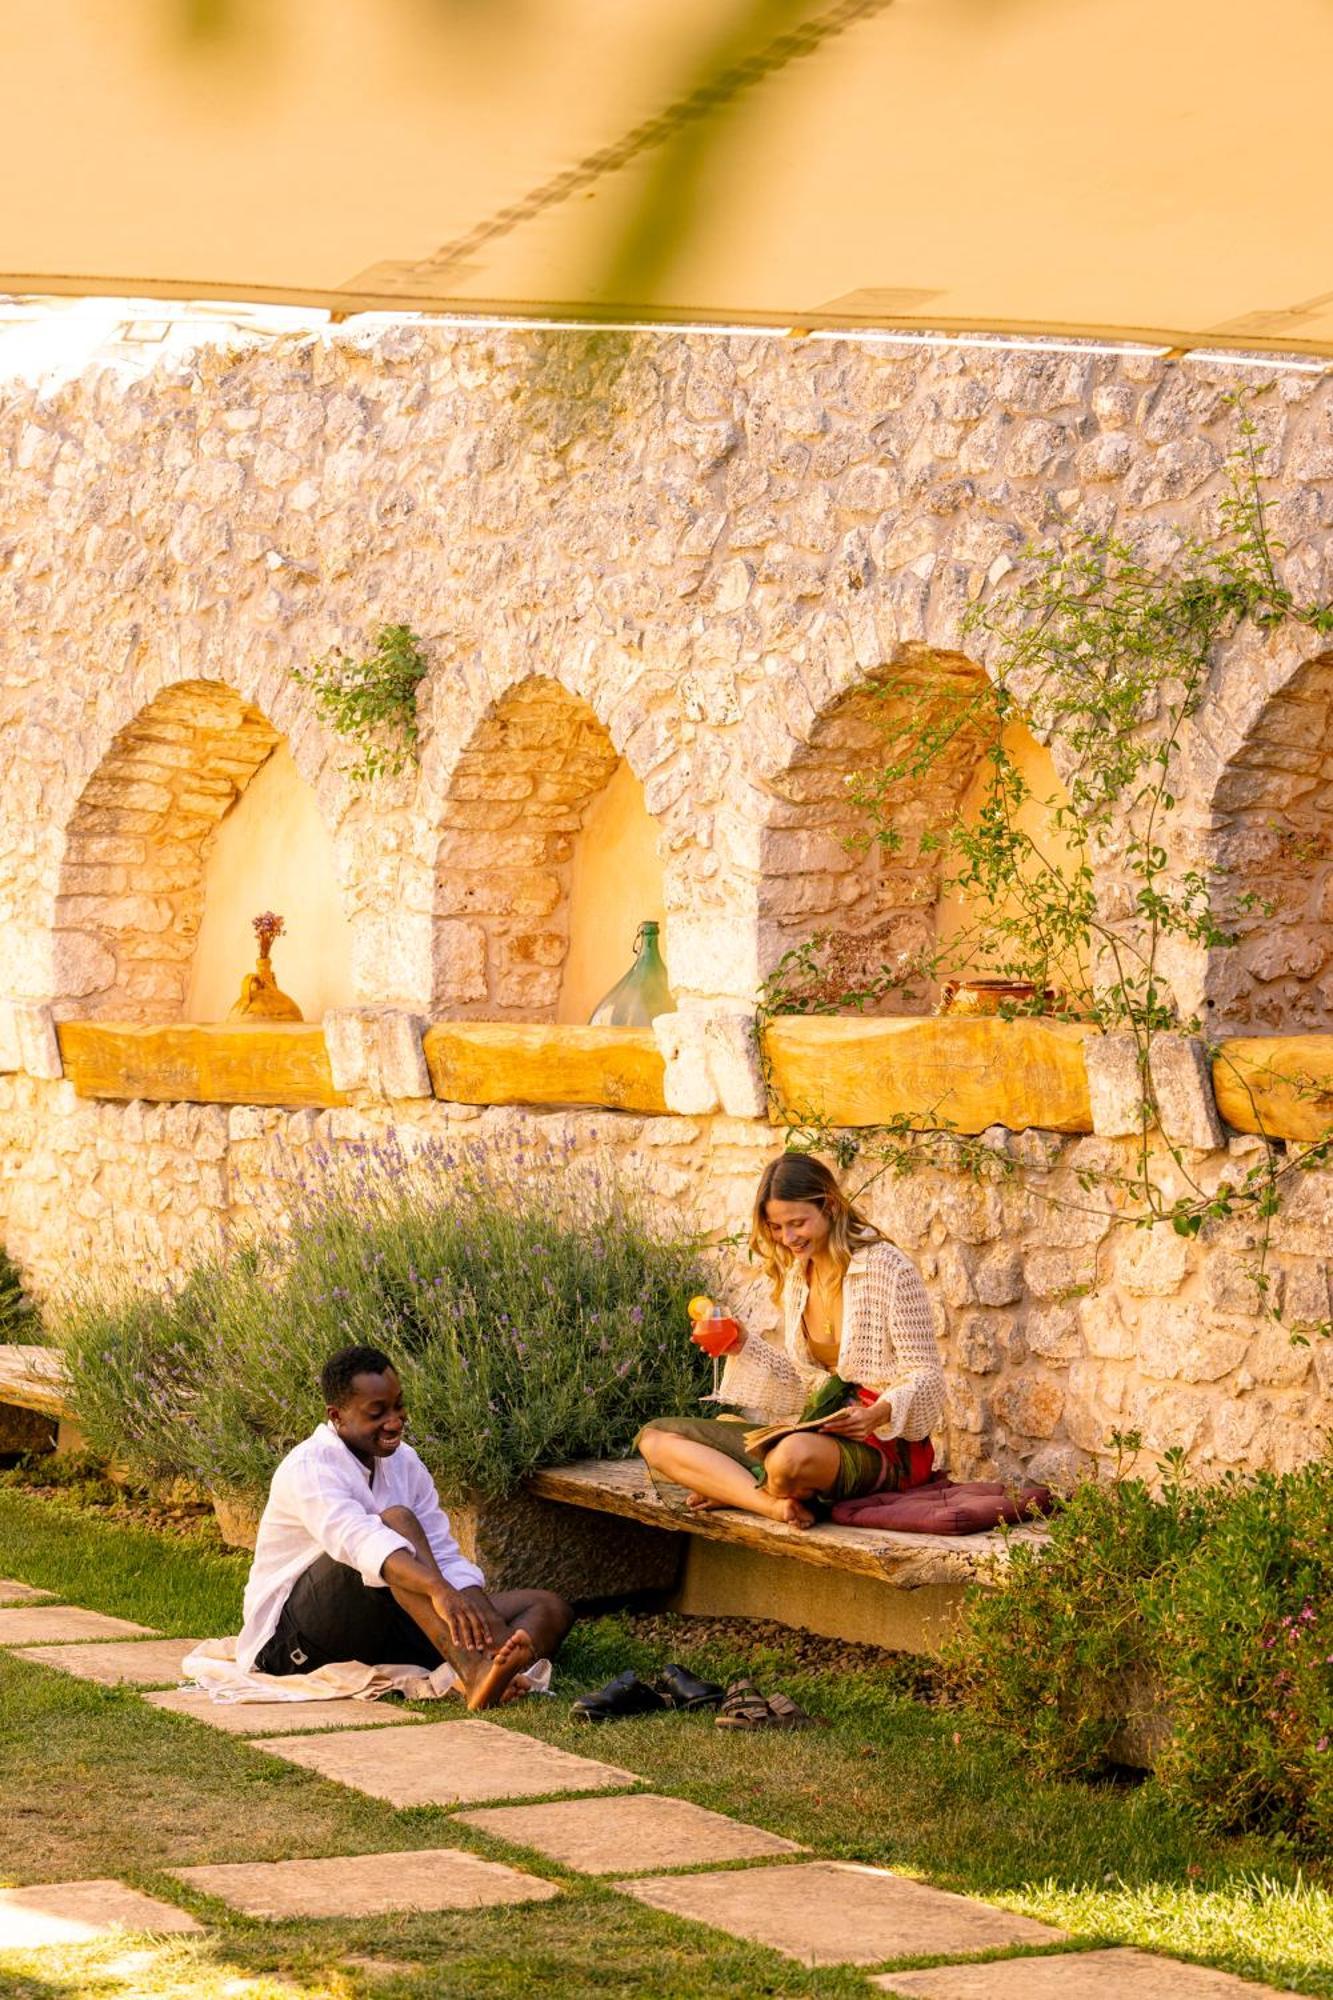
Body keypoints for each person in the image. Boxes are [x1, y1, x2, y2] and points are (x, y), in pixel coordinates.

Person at [236, 1343, 573, 1709]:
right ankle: (475, 1670)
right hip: (293, 1640)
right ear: (337, 1416)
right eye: (377, 1412)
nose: (395, 1422)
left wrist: (484, 1621)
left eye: (398, 1406)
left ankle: (495, 1666)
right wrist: (440, 1591)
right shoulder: (310, 1468)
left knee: (549, 1607)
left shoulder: (406, 1461)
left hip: (385, 1615)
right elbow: (362, 1545)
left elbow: (442, 1552)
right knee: (395, 1524)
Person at [638, 1154, 946, 1529]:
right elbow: (803, 1382)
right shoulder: (800, 1276)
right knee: (655, 1440)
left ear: (829, 1205)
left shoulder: (887, 1268)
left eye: (798, 1223)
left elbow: (926, 1374)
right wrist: (743, 1345)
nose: (788, 1238)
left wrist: (877, 1413)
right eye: (776, 1227)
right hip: (814, 1428)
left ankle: (738, 1488)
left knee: (786, 1461)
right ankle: (772, 1504)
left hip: (880, 1446)